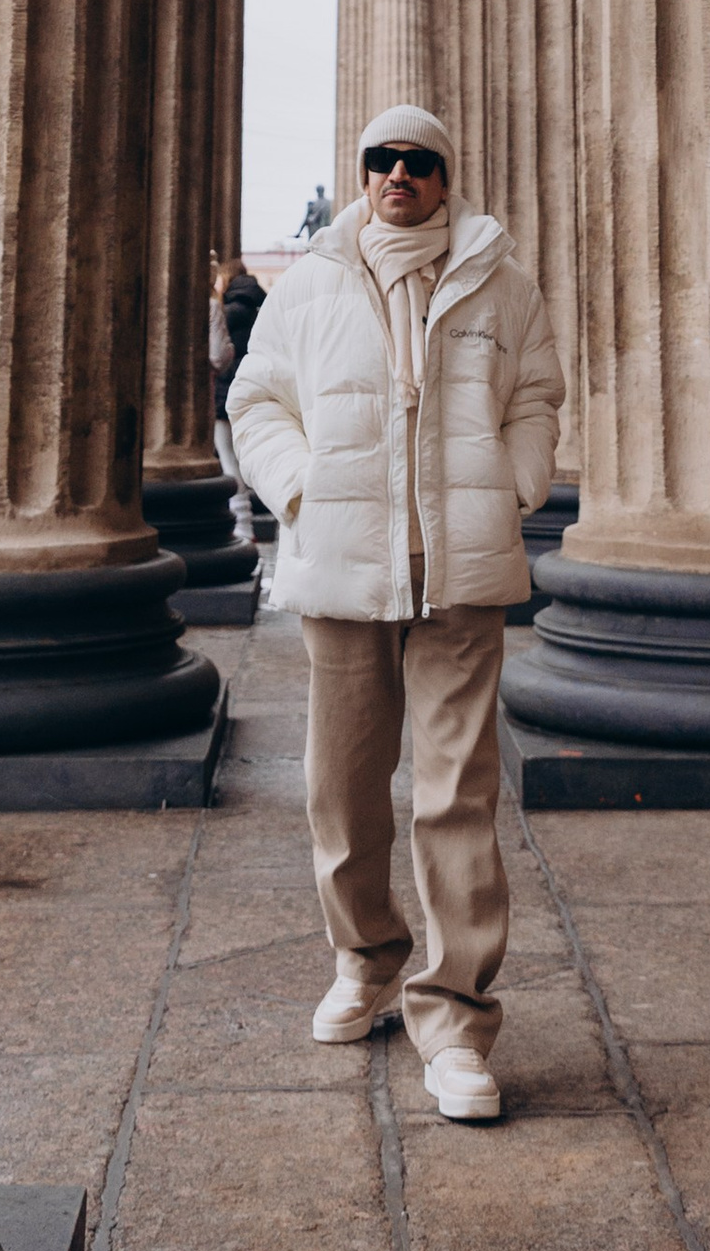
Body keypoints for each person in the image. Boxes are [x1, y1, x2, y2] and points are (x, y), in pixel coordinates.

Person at [227, 101, 562, 1125]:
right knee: (340, 787)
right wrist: (300, 490)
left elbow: (536, 394)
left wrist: (517, 484)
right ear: (364, 171)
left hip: (461, 575)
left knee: (456, 793)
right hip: (344, 570)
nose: (398, 174)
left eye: (419, 160)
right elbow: (256, 400)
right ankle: (366, 958)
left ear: (445, 176)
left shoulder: (501, 282)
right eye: (382, 158)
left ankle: (456, 1019)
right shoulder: (312, 283)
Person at [209, 250, 267, 517]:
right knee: (238, 453)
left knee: (227, 454)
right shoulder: (255, 307)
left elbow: (218, 354)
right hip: (247, 386)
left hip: (226, 390)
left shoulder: (228, 311)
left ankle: (241, 519)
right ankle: (244, 516)